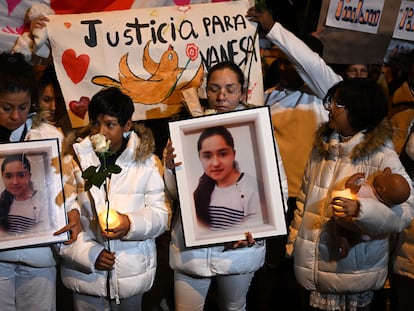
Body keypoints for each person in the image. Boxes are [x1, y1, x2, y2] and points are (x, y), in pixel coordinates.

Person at [165, 61, 288, 311]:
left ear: (243, 92)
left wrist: (260, 230)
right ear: (205, 91)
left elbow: (278, 189)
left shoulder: (258, 131)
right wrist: (169, 167)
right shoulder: (187, 132)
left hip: (239, 249)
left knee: (233, 308)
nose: (222, 96)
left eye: (231, 89)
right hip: (192, 249)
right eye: (214, 89)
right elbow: (174, 193)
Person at [284, 78, 413, 311]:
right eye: (331, 101)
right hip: (313, 262)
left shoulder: (381, 154)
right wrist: (294, 242)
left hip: (353, 266)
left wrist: (361, 211)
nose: (330, 107)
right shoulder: (322, 149)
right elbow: (304, 199)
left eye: (338, 103)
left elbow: (404, 212)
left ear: (360, 110)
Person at [59, 87, 169, 310]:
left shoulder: (147, 163)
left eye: (110, 125)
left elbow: (162, 214)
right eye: (95, 124)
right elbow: (59, 218)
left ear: (126, 125)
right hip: (86, 276)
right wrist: (89, 254)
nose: (101, 132)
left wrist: (130, 223)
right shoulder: (73, 160)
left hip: (131, 272)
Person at [0, 51, 80, 310]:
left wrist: (73, 212)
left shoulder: (47, 134)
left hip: (40, 256)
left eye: (23, 107)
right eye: (6, 108)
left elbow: (66, 184)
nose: (15, 116)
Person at [331, 168, 411, 260]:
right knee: (354, 234)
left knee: (338, 225)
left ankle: (342, 238)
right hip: (367, 233)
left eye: (385, 176)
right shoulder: (387, 205)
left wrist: (354, 178)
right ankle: (349, 241)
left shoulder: (367, 190)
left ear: (381, 189)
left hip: (349, 217)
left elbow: (349, 185)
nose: (385, 173)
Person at [193, 126, 262, 230]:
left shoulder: (252, 189)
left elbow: (259, 231)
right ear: (200, 158)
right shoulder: (201, 189)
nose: (215, 163)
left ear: (233, 154)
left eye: (223, 154)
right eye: (207, 156)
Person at [0, 154, 49, 233]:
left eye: (21, 175)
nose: (15, 182)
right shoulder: (3, 201)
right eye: (8, 176)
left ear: (29, 176)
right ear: (3, 177)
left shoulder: (42, 202)